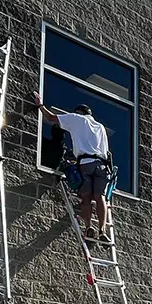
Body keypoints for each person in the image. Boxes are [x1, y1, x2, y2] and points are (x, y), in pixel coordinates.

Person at [33, 92, 112, 243]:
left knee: (86, 198)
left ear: (79, 112)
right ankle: (102, 229)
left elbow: (51, 118)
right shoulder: (100, 127)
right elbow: (105, 151)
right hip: (102, 166)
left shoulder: (77, 119)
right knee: (100, 197)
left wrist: (40, 105)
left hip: (85, 164)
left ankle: (89, 226)